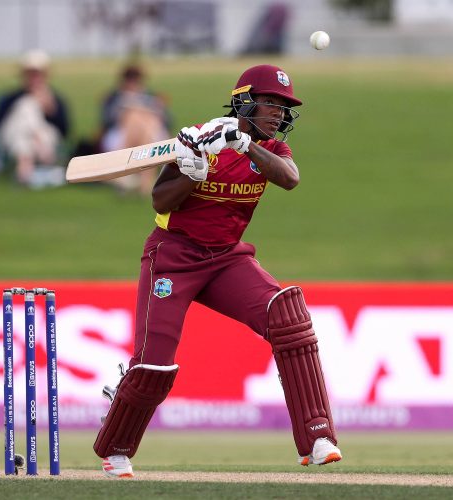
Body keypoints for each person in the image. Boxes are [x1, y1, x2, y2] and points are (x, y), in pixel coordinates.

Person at [93, 64, 341, 478]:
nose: (279, 114)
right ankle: (115, 447)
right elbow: (160, 201)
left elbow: (290, 179)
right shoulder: (199, 138)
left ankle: (317, 437)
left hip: (227, 259)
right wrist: (192, 171)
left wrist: (244, 146)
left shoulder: (271, 151)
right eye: (272, 104)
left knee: (287, 315)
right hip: (173, 254)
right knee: (154, 363)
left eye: (284, 107)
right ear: (245, 101)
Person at [0, 49, 71, 188]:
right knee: (27, 106)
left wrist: (51, 111)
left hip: (41, 141)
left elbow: (64, 131)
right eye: (31, 74)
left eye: (38, 74)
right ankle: (40, 161)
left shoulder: (55, 100)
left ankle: (24, 171)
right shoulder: (11, 97)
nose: (34, 78)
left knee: (24, 139)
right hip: (22, 141)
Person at [98, 64, 171, 195]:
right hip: (121, 136)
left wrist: (155, 107)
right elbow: (106, 121)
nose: (132, 82)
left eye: (136, 79)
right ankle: (146, 182)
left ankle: (126, 177)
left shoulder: (151, 96)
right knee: (133, 116)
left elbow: (167, 122)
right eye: (129, 78)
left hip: (150, 135)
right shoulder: (114, 97)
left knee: (142, 119)